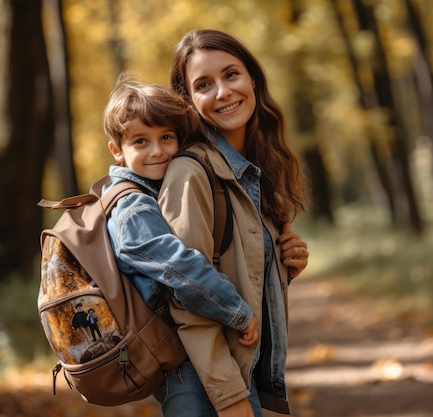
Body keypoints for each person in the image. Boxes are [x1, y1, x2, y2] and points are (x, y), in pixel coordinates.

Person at [158, 29, 311, 417]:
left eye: (231, 75)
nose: (223, 92)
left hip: (236, 372)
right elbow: (185, 294)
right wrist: (229, 398)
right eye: (204, 84)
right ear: (189, 101)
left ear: (253, 79)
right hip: (204, 383)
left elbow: (234, 271)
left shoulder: (252, 171)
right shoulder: (191, 173)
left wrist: (283, 265)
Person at [101, 73, 260, 385]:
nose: (157, 151)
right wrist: (235, 310)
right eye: (141, 141)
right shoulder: (133, 207)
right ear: (117, 150)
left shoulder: (152, 191)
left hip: (177, 345)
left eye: (166, 138)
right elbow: (178, 266)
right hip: (173, 355)